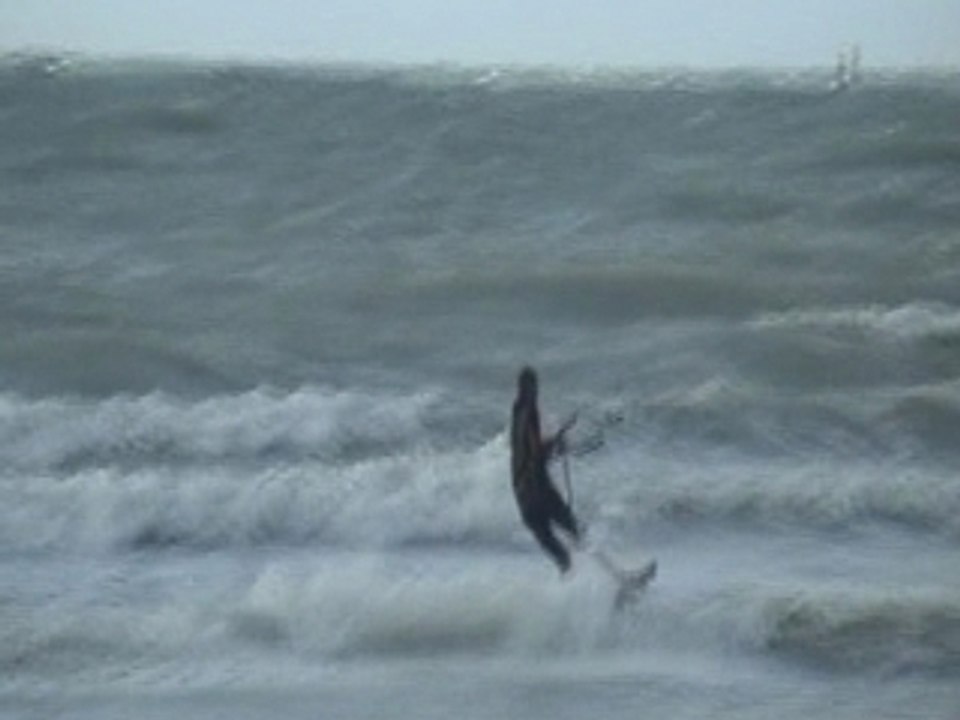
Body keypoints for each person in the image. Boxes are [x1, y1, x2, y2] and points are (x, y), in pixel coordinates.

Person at [510, 366, 581, 573]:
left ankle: (567, 598)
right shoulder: (529, 413)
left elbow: (529, 454)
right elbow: (536, 453)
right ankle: (616, 582)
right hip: (539, 493)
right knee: (577, 535)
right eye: (534, 387)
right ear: (529, 388)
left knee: (562, 559)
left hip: (524, 501)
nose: (536, 391)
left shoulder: (517, 413)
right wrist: (558, 439)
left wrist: (554, 445)